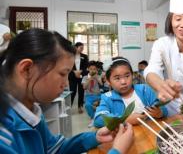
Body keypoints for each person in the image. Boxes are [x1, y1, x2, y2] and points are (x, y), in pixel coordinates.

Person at [0, 28, 133, 154]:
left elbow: (53, 148)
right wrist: (117, 151)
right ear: (27, 69)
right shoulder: (4, 136)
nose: (65, 84)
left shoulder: (31, 110)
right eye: (63, 74)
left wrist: (95, 137)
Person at [94, 57, 168, 127]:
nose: (123, 82)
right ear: (108, 81)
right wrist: (124, 120)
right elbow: (98, 119)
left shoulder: (144, 90)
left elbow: (163, 109)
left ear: (132, 75)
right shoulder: (107, 97)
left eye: (127, 76)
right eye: (117, 78)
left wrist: (159, 113)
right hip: (125, 136)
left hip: (149, 132)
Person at [68, 42, 88, 113]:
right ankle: (69, 107)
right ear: (76, 47)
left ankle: (80, 106)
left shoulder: (85, 56)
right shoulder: (70, 56)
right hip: (72, 76)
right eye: (81, 48)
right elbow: (68, 65)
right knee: (72, 91)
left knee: (81, 92)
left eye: (83, 48)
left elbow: (86, 66)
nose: (82, 49)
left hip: (81, 76)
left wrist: (80, 71)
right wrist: (74, 71)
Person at [82, 61, 102, 127]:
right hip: (89, 96)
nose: (92, 70)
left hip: (98, 95)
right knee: (87, 105)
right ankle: (93, 118)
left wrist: (97, 78)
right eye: (91, 69)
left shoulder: (98, 76)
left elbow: (101, 84)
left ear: (96, 70)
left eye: (94, 69)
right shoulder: (85, 77)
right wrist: (89, 79)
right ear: (88, 69)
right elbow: (84, 87)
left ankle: (100, 116)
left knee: (106, 100)